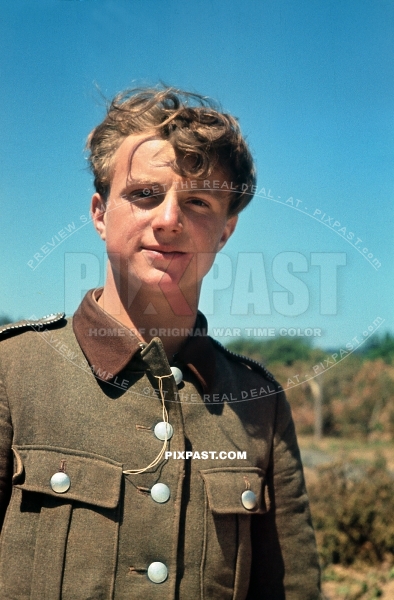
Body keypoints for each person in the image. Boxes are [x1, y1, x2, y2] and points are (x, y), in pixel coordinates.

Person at [0, 86, 321, 599]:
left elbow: (292, 590)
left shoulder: (260, 404)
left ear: (225, 231)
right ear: (100, 213)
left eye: (198, 201)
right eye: (145, 194)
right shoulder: (11, 372)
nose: (169, 219)